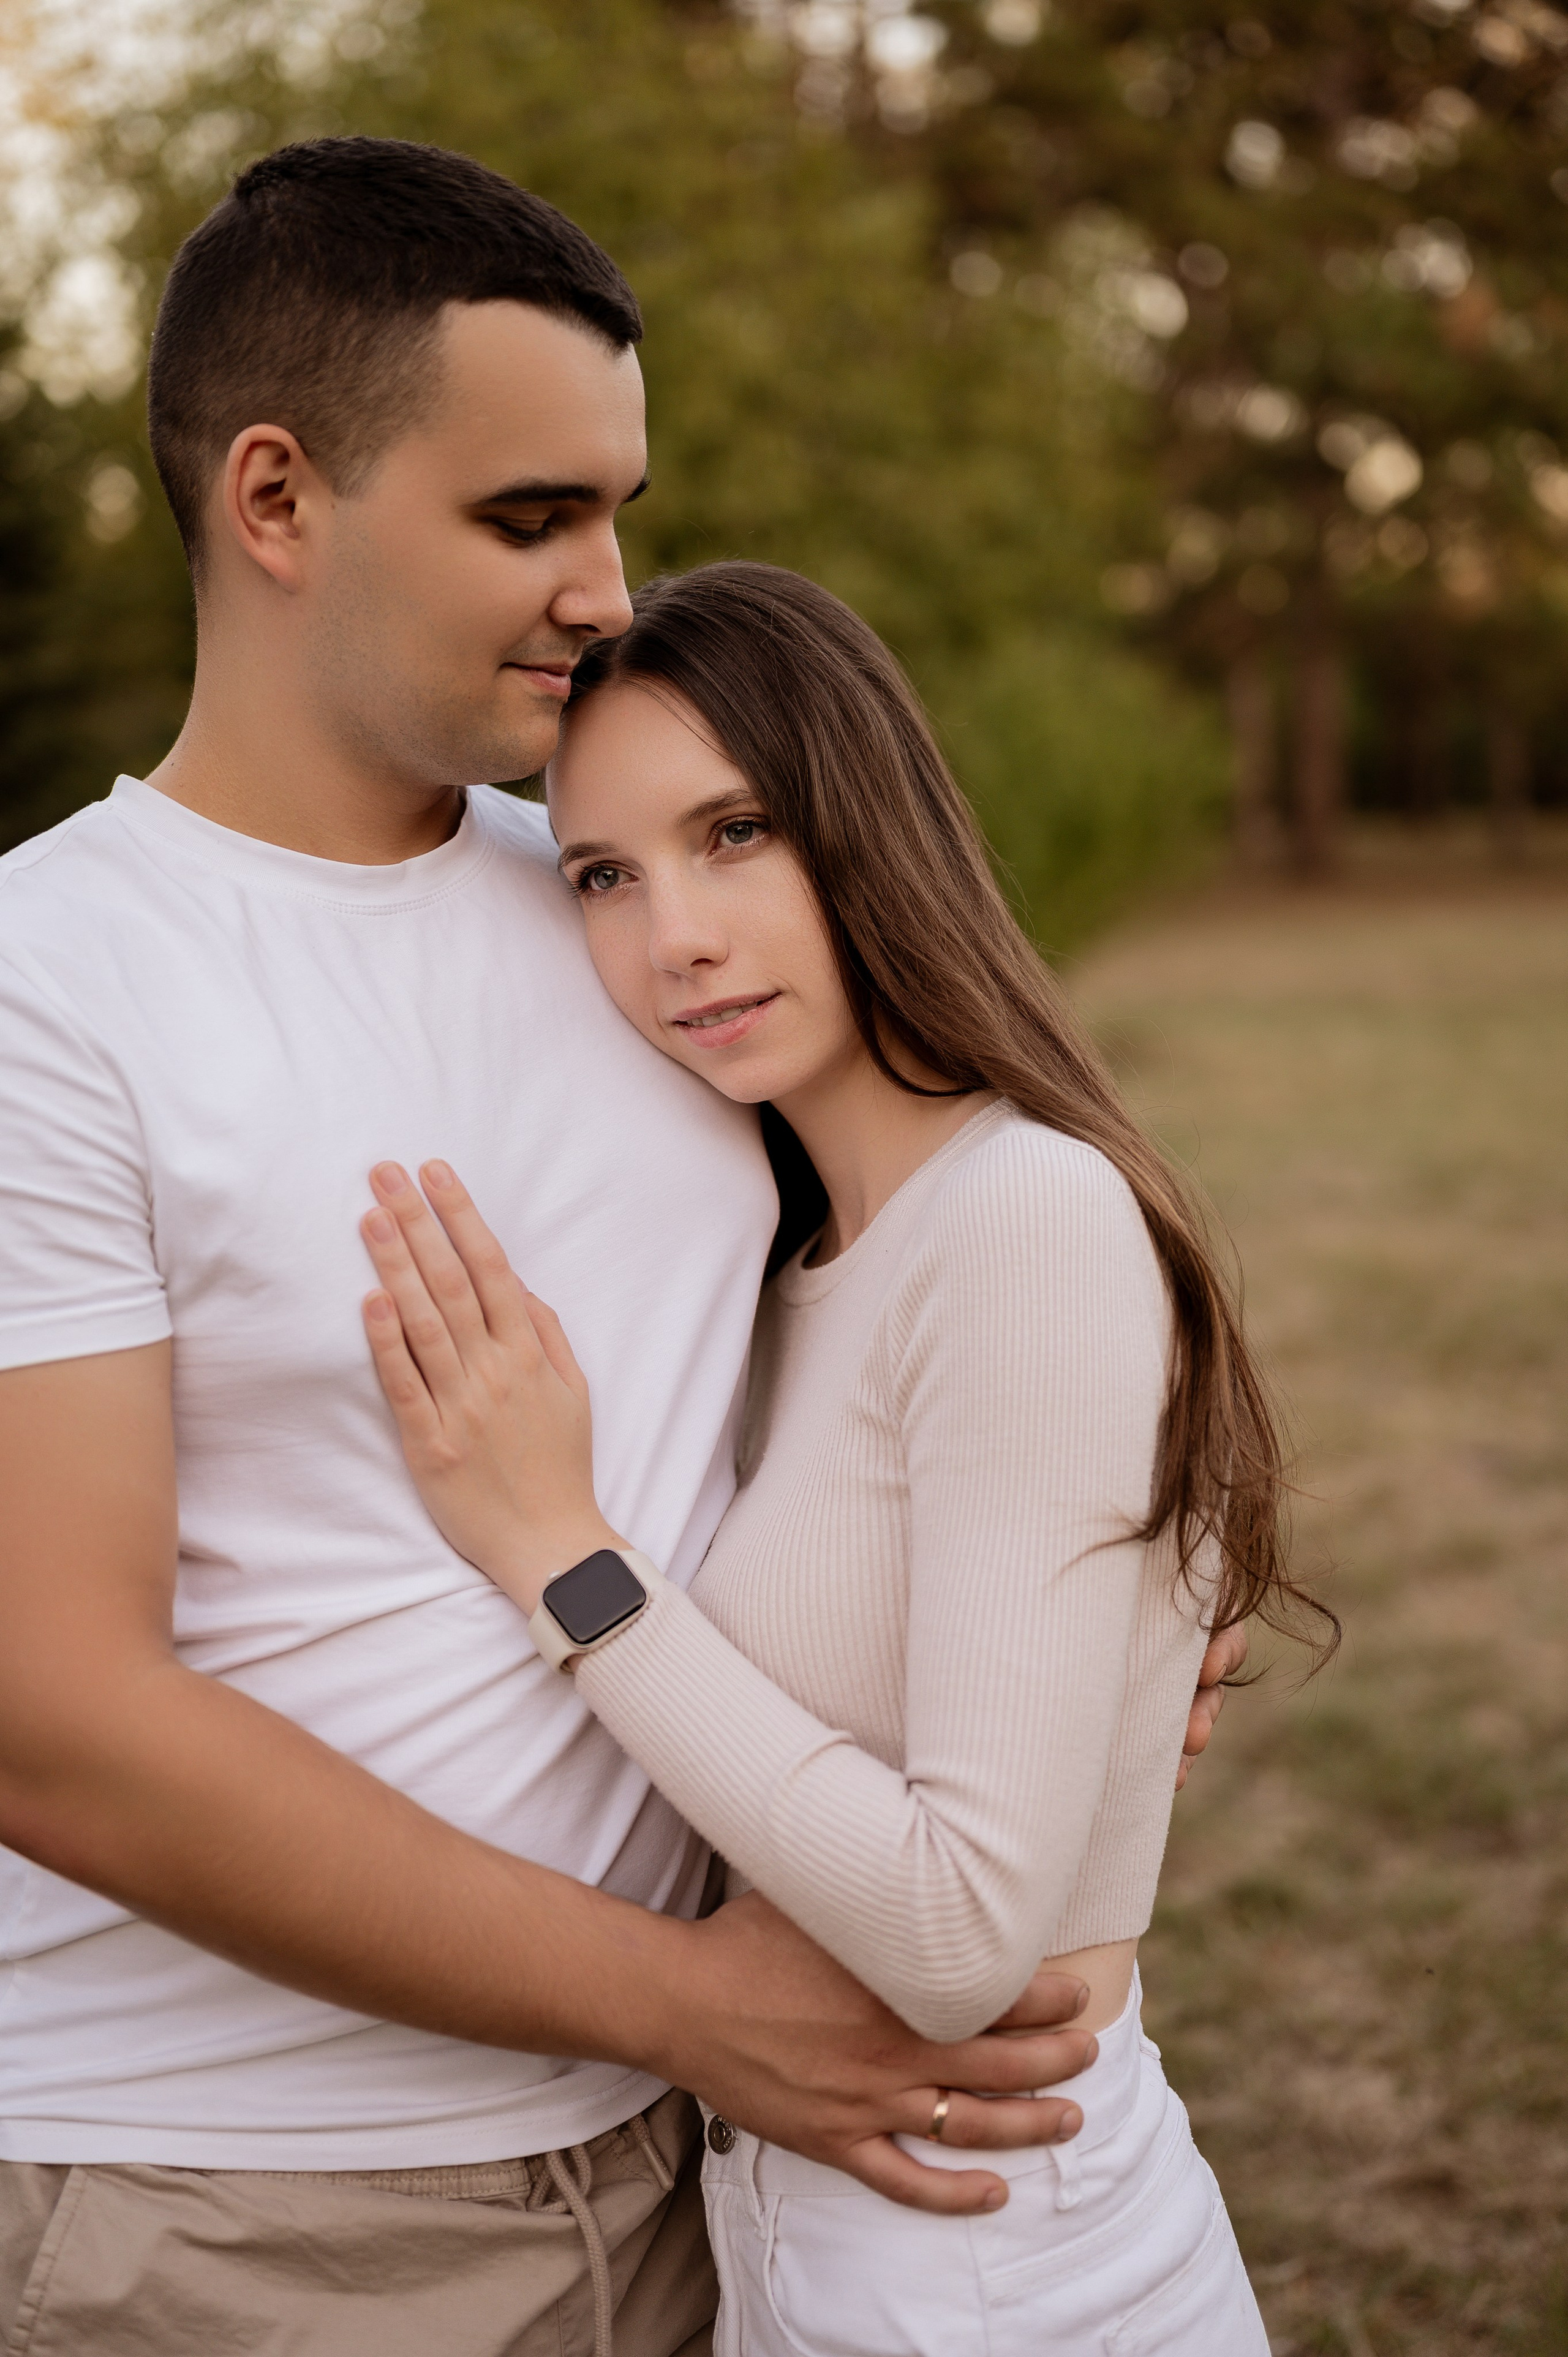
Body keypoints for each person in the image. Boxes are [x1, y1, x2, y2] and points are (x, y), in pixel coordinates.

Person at [0, 141, 1240, 2357]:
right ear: (275, 501)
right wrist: (699, 2003)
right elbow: (53, 1718)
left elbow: (929, 1307)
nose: (604, 585)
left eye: (617, 509)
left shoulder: (628, 894)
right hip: (241, 2207)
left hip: (729, 2187)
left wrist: (1097, 1617)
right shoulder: (50, 987)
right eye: (529, 516)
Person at [352, 562, 1335, 2355]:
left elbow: (962, 1938)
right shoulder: (795, 1257)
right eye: (605, 875)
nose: (678, 941)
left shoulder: (1019, 1213)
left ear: (866, 817)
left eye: (737, 833)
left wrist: (563, 1555)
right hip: (808, 2237)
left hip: (992, 2261)